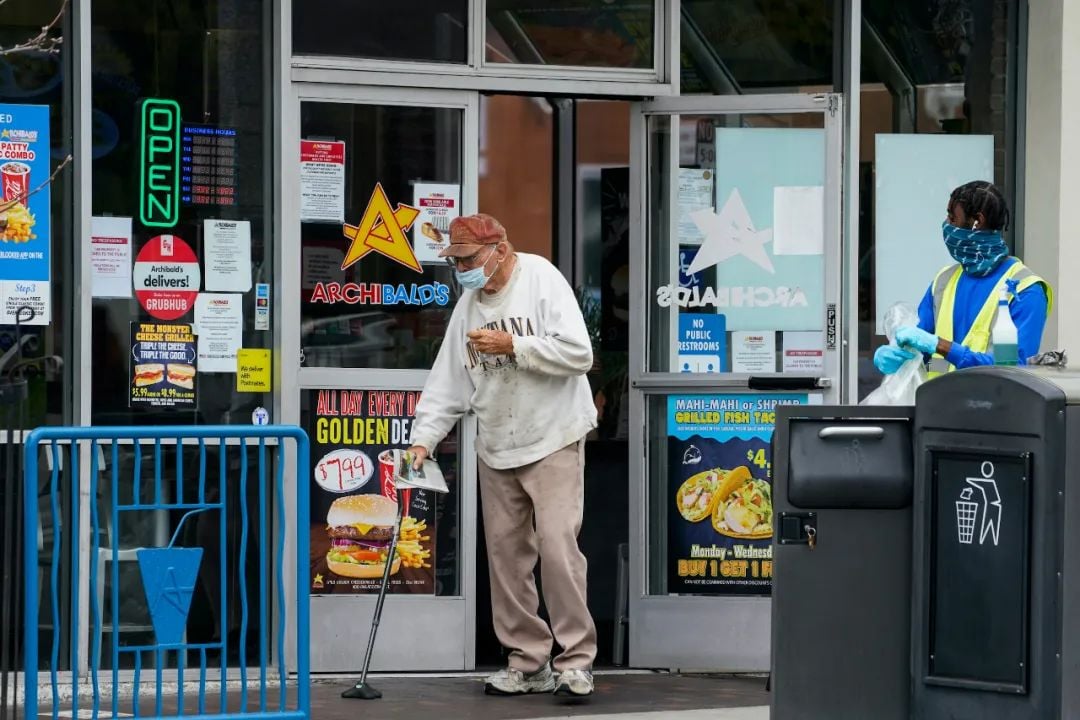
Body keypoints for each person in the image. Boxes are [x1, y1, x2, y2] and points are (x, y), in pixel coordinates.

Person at [407, 213, 599, 698]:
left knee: (557, 548)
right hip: (497, 442)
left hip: (553, 434)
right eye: (456, 261)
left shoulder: (541, 279)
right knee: (507, 559)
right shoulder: (468, 306)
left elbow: (580, 353)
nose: (462, 270)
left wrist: (514, 345)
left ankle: (575, 660)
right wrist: (423, 438)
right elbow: (447, 380)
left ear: (501, 250)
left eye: (469, 259)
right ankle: (528, 662)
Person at [874, 181, 1053, 377]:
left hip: (994, 406)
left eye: (953, 218)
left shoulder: (1026, 290)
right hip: (940, 404)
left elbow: (1015, 369)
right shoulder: (943, 281)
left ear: (978, 220)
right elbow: (927, 356)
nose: (947, 225)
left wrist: (941, 346)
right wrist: (899, 357)